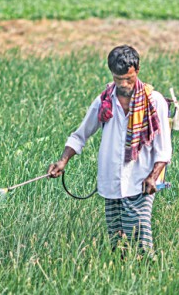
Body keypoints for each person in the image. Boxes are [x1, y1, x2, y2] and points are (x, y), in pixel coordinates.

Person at [47, 45, 172, 255]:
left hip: (141, 181)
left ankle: (148, 275)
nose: (123, 84)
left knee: (141, 237)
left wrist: (154, 177)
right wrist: (63, 161)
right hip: (111, 181)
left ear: (137, 70)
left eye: (128, 79)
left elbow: (163, 149)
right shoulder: (104, 101)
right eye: (118, 79)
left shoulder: (154, 101)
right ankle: (122, 274)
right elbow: (80, 135)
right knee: (117, 242)